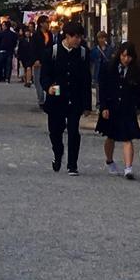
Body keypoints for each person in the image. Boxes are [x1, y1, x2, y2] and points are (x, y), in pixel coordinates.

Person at [39, 21, 94, 174]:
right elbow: (45, 76)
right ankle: (58, 153)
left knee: (73, 131)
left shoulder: (83, 53)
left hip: (75, 97)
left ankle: (72, 164)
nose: (78, 40)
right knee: (55, 131)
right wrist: (48, 87)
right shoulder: (52, 52)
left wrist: (87, 104)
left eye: (80, 37)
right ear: (67, 36)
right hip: (56, 95)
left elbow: (86, 79)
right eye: (75, 37)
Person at [98, 41, 140, 178]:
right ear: (119, 54)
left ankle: (128, 168)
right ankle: (109, 160)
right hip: (111, 106)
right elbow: (103, 88)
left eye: (129, 57)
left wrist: (139, 106)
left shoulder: (135, 70)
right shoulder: (108, 67)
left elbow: (138, 90)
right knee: (110, 137)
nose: (126, 59)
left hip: (127, 107)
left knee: (127, 138)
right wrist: (103, 106)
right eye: (123, 56)